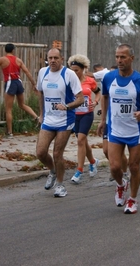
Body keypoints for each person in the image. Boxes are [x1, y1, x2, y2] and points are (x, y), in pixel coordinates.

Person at [97, 43, 140, 214]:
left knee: (134, 166)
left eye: (123, 57)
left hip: (135, 130)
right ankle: (121, 185)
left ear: (132, 58)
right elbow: (105, 97)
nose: (119, 60)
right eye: (117, 56)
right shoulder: (109, 78)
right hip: (115, 129)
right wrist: (102, 120)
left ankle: (133, 199)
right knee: (115, 167)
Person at [35, 48, 84, 197]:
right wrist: (42, 114)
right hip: (49, 119)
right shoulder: (43, 72)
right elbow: (41, 93)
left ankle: (61, 186)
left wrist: (67, 106)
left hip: (65, 120)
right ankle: (53, 170)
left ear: (62, 59)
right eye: (50, 58)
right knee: (40, 152)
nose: (53, 61)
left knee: (57, 153)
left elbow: (80, 98)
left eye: (56, 58)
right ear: (47, 59)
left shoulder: (69, 74)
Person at [0, 43, 39, 138]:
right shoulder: (18, 60)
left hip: (10, 83)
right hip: (18, 82)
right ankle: (36, 117)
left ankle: (9, 133)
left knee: (8, 109)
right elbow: (27, 72)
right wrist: (34, 84)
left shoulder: (2, 59)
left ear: (5, 50)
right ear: (13, 50)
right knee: (22, 105)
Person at [90, 63, 129, 181]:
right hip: (108, 121)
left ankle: (124, 171)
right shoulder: (107, 83)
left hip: (120, 121)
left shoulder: (123, 86)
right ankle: (116, 167)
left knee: (118, 150)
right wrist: (102, 118)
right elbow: (104, 99)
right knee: (106, 150)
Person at [67, 54, 101, 184]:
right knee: (83, 141)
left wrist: (96, 102)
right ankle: (92, 161)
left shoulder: (89, 81)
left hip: (87, 114)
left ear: (83, 69)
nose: (74, 73)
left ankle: (79, 170)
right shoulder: (69, 81)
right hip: (74, 115)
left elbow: (98, 92)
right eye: (72, 70)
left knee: (81, 140)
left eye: (77, 70)